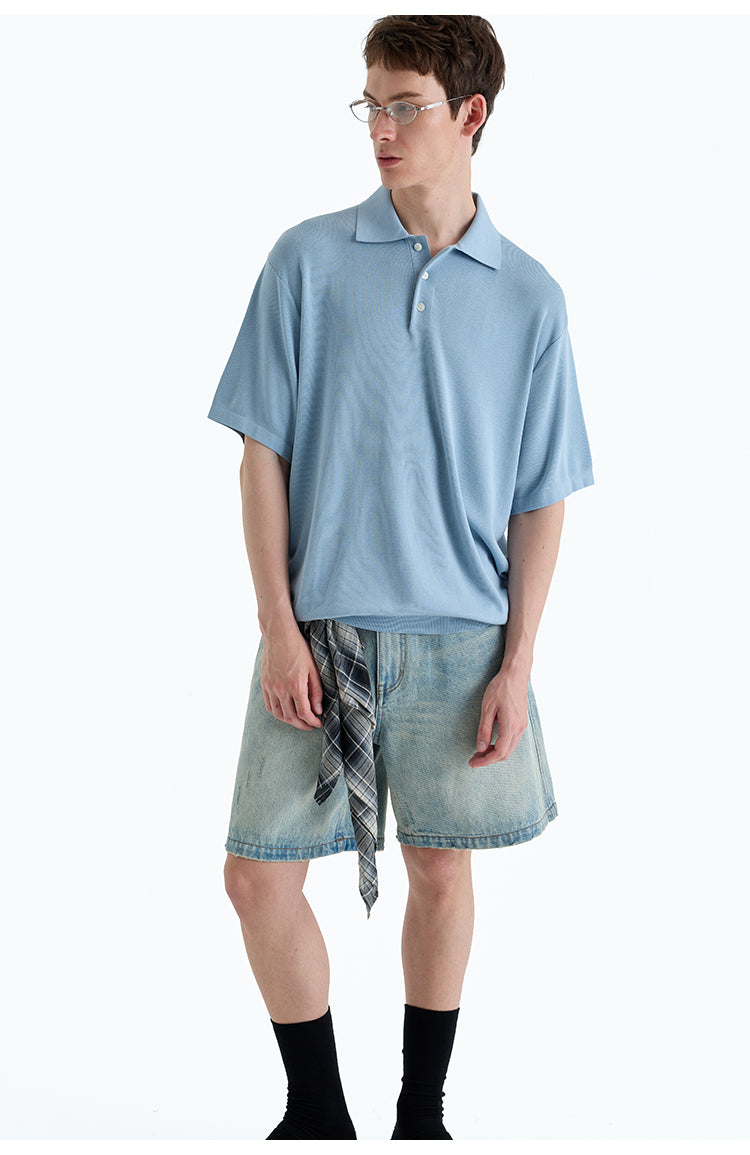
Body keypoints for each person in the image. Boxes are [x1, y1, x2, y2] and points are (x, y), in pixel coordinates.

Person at [208, 13, 593, 1141]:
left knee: (440, 870)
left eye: (405, 105)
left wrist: (518, 662)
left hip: (463, 642)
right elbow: (262, 455)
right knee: (257, 876)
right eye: (370, 104)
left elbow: (540, 498)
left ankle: (421, 1115)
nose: (381, 127)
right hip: (320, 635)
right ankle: (318, 1114)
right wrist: (278, 626)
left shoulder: (531, 298)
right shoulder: (308, 260)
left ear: (470, 116)